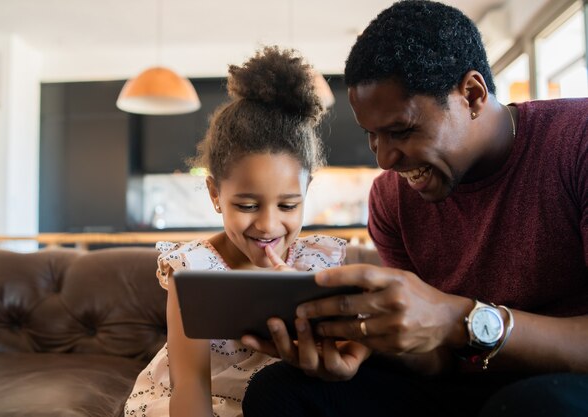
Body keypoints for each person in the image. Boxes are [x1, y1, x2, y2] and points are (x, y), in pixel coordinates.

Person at [240, 1, 588, 416]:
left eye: (401, 131)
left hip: (567, 384)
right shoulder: (391, 199)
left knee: (531, 405)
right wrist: (375, 341)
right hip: (464, 385)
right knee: (279, 390)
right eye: (372, 136)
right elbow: (438, 361)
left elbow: (449, 326)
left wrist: (458, 318)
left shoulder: (577, 143)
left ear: (472, 95)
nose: (384, 159)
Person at [123, 46, 359, 417]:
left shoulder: (320, 260)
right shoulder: (192, 269)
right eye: (247, 206)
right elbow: (190, 385)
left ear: (307, 191)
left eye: (287, 205)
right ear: (216, 193)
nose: (267, 225)